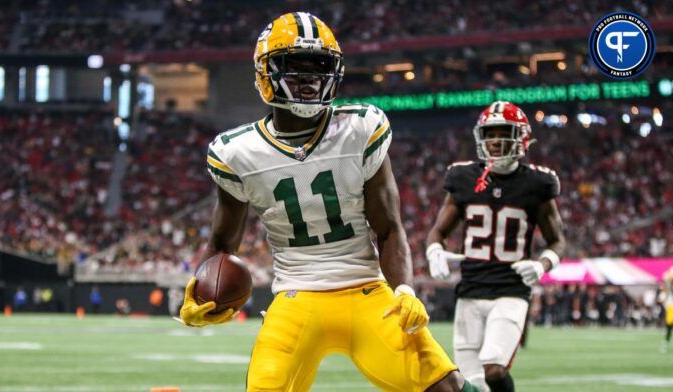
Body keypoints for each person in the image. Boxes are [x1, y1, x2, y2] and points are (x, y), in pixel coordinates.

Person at [177, 12, 479, 392]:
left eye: (319, 67)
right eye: (294, 68)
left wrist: (404, 289)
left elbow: (388, 229)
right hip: (295, 296)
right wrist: (202, 289)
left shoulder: (360, 128)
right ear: (264, 74)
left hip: (367, 290)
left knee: (445, 386)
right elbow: (222, 244)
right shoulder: (237, 152)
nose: (309, 80)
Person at [426, 101, 566, 392]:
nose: (496, 141)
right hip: (470, 291)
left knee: (493, 369)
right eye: (490, 134)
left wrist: (543, 264)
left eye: (504, 133)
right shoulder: (463, 178)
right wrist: (434, 251)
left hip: (510, 290)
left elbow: (557, 239)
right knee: (470, 383)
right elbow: (438, 231)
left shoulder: (537, 183)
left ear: (522, 137)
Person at [660, 266, 673, 353]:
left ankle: (665, 343)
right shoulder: (669, 275)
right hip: (671, 303)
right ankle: (666, 342)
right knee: (669, 324)